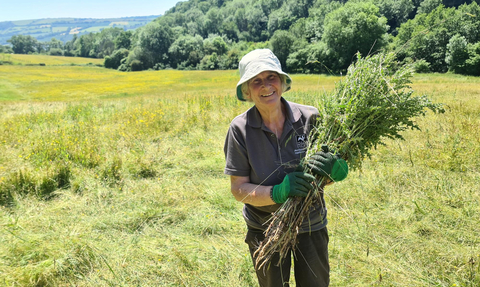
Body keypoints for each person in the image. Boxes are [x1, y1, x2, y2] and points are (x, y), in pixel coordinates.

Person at [223, 49, 348, 287]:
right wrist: (277, 192)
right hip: (264, 226)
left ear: (282, 82)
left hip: (310, 224)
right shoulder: (240, 129)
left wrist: (334, 171)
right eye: (256, 81)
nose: (266, 86)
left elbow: (324, 176)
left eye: (271, 77)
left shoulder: (311, 118)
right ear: (247, 91)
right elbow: (238, 189)